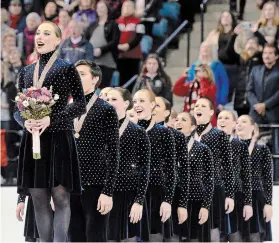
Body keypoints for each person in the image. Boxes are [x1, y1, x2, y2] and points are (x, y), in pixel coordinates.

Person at [14, 21, 87, 242]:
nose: (40, 37)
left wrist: (50, 118)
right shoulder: (26, 71)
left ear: (57, 40)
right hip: (34, 138)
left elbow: (80, 105)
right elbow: (19, 108)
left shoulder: (66, 68)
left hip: (59, 138)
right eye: (37, 33)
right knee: (38, 197)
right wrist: (25, 122)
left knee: (61, 196)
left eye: (47, 33)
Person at [68, 60, 120, 242]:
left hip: (96, 185)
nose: (76, 77)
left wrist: (108, 191)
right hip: (70, 187)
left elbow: (114, 153)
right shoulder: (68, 109)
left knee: (95, 237)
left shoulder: (106, 110)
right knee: (73, 237)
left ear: (95, 79)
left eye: (82, 74)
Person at [106, 87, 151, 242]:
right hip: (103, 193)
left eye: (114, 99)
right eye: (107, 100)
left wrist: (139, 201)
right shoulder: (99, 128)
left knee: (128, 238)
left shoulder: (138, 131)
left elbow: (145, 168)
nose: (109, 103)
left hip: (128, 194)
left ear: (126, 104)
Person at [133, 89, 176, 242]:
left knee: (153, 236)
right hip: (130, 191)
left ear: (152, 105)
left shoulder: (164, 132)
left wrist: (168, 200)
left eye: (142, 101)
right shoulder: (129, 130)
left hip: (156, 193)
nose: (137, 104)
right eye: (135, 101)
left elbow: (171, 169)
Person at [193, 97, 235, 241]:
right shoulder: (189, 135)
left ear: (211, 112)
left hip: (213, 188)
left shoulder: (219, 135)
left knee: (212, 230)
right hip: (190, 189)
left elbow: (228, 167)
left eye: (203, 106)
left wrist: (230, 194)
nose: (198, 108)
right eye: (196, 105)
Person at [153, 97, 190, 242]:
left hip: (171, 194)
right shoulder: (138, 131)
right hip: (146, 195)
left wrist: (182, 203)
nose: (153, 107)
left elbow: (184, 171)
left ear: (167, 112)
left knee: (169, 236)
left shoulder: (177, 136)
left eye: (157, 105)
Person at [174, 112, 214, 242]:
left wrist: (205, 206)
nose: (178, 122)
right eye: (177, 120)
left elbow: (209, 180)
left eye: (183, 120)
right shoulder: (168, 146)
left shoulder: (203, 149)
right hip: (173, 200)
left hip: (195, 200)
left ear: (192, 127)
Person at [217, 110, 253, 241]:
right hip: (216, 196)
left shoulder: (240, 145)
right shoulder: (209, 144)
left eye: (227, 118)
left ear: (234, 124)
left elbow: (246, 176)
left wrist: (248, 203)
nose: (222, 121)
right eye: (220, 118)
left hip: (237, 197)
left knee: (235, 236)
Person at [236, 115, 273, 242]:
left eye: (244, 122)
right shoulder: (230, 147)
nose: (239, 124)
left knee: (255, 236)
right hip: (236, 197)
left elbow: (267, 178)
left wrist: (268, 203)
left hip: (256, 197)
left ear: (253, 127)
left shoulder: (262, 149)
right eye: (238, 122)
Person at [178, 42, 229, 111]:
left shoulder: (218, 65)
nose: (205, 49)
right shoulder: (194, 67)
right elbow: (188, 83)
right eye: (203, 47)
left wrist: (222, 102)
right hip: (195, 103)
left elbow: (224, 84)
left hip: (213, 102)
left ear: (212, 50)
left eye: (208, 47)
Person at [205, 11, 240, 106]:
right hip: (218, 66)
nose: (225, 18)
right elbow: (205, 47)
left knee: (229, 92)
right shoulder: (214, 33)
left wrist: (234, 35)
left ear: (232, 19)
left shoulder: (238, 34)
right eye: (223, 16)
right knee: (217, 91)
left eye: (228, 16)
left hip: (233, 67)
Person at [85, 0, 120, 88]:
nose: (100, 9)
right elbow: (85, 41)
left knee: (103, 88)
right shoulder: (92, 25)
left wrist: (101, 50)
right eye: (98, 7)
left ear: (107, 9)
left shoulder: (113, 24)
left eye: (102, 7)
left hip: (107, 63)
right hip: (92, 62)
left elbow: (115, 42)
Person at [247, 43, 279, 125]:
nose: (266, 56)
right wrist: (257, 106)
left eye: (270, 53)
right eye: (265, 53)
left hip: (274, 114)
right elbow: (249, 91)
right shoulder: (255, 70)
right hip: (255, 115)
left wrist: (265, 105)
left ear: (276, 56)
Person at [117, 0, 145, 89]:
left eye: (129, 6)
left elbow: (139, 37)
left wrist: (128, 46)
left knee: (132, 82)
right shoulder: (116, 22)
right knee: (120, 82)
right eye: (125, 6)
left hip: (134, 57)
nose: (126, 8)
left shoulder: (139, 22)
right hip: (119, 56)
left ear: (134, 9)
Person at [236, 37, 263, 116]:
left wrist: (259, 52)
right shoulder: (240, 60)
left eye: (253, 43)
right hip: (240, 100)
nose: (250, 45)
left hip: (255, 100)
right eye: (248, 43)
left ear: (259, 48)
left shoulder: (260, 60)